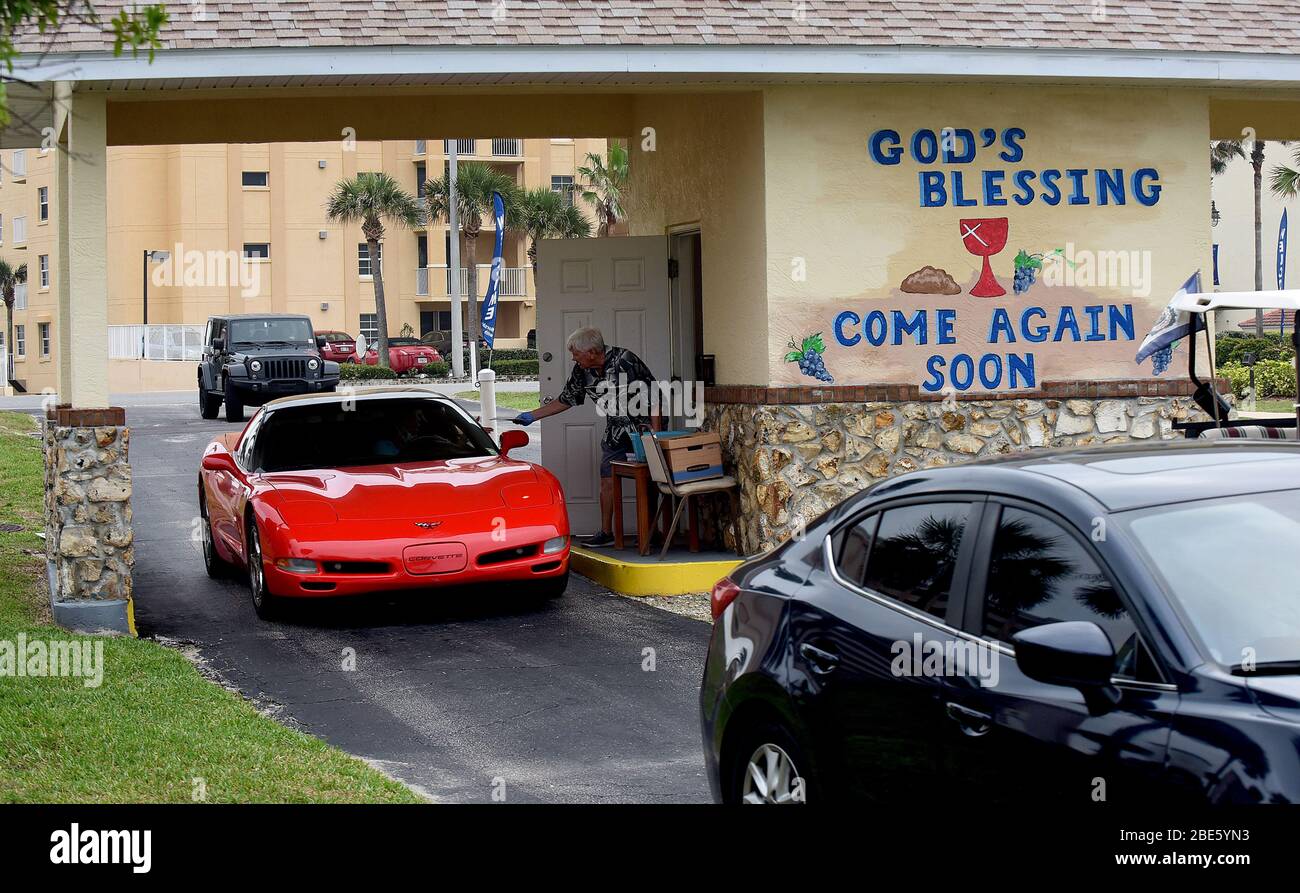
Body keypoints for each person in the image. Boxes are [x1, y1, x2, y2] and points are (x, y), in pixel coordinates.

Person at [513, 326, 661, 547]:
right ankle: (606, 532)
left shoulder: (625, 360)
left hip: (644, 427)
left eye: (575, 353)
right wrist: (532, 416)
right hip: (616, 429)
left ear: (592, 352)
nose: (573, 358)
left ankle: (650, 532)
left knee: (649, 479)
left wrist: (655, 434)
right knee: (607, 478)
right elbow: (566, 399)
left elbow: (654, 395)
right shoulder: (583, 370)